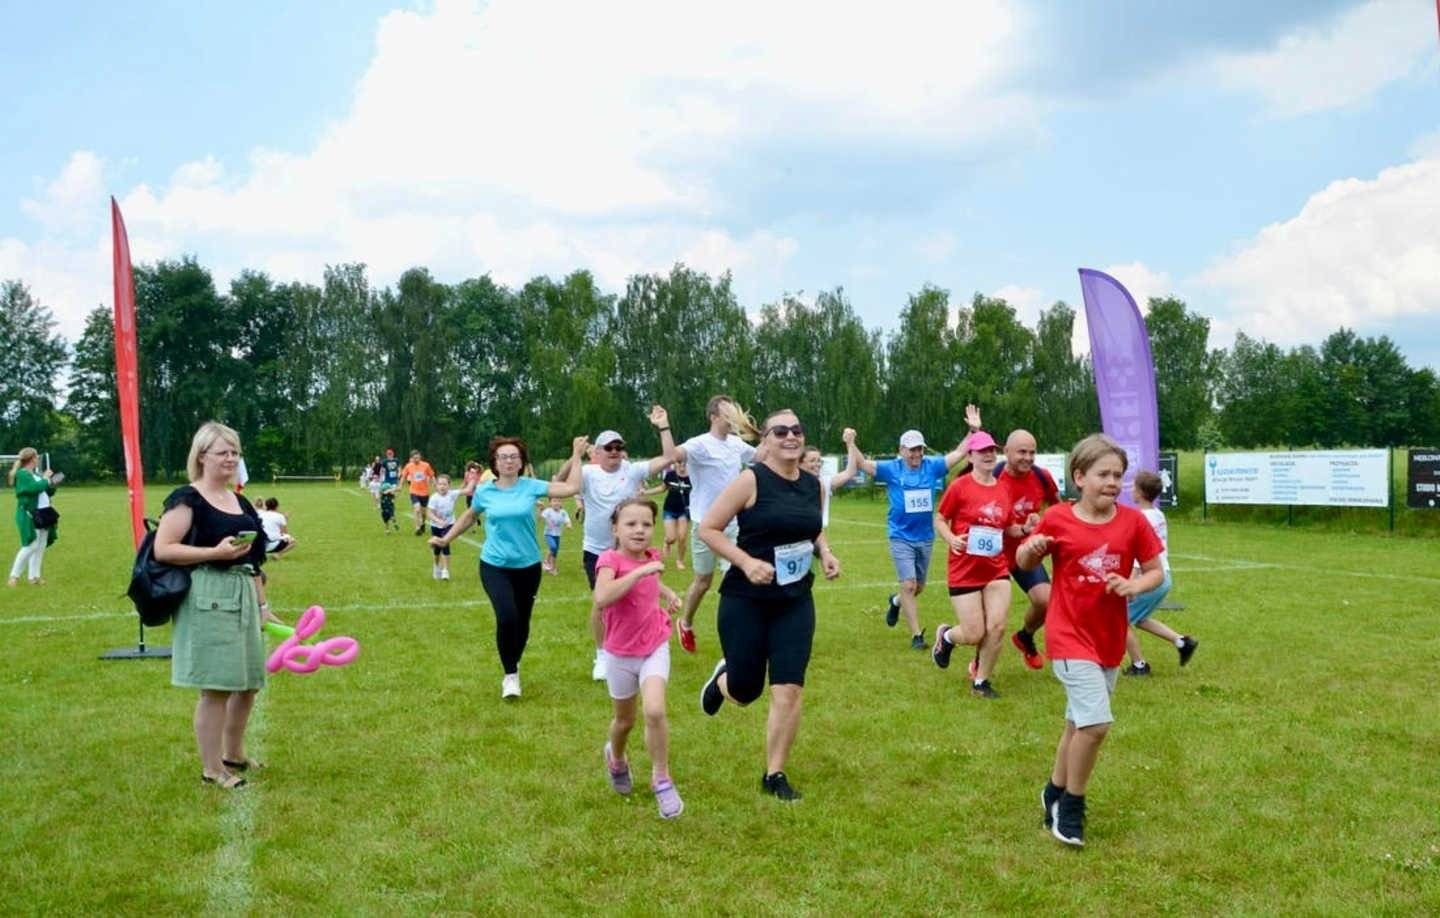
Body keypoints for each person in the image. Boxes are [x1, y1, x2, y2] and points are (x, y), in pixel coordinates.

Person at [1015, 434, 1165, 847]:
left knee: (1076, 724)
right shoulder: (1059, 518)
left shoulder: (1133, 522)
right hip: (1068, 635)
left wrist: (1135, 583)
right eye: (1103, 474)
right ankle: (1072, 809)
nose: (1113, 482)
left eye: (1118, 475)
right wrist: (1033, 547)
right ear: (1079, 477)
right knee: (1096, 725)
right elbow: (1023, 561)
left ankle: (1053, 791)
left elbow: (1156, 572)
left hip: (1109, 639)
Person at [697, 409, 841, 802]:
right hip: (746, 599)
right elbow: (707, 528)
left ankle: (774, 773)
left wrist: (824, 553)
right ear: (767, 439)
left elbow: (812, 527)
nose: (791, 436)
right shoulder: (751, 480)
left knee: (789, 689)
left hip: (794, 599)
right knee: (746, 691)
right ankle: (722, 681)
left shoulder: (814, 485)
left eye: (797, 429)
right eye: (781, 431)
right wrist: (745, 562)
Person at [154, 421, 285, 790]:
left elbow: (254, 559)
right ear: (201, 456)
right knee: (216, 687)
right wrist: (214, 551)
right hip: (208, 595)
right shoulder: (187, 498)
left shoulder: (239, 500)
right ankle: (212, 768)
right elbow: (164, 548)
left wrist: (262, 605)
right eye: (222, 452)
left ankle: (234, 753)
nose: (230, 458)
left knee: (248, 683)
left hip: (243, 592)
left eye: (235, 452)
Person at [431, 434, 588, 698]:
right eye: (503, 456)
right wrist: (446, 538)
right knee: (507, 616)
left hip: (528, 566)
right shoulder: (485, 491)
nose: (508, 461)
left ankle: (514, 663)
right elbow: (470, 516)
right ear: (495, 461)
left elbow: (571, 488)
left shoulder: (531, 486)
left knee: (523, 621)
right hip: (495, 565)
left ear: (521, 461)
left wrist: (576, 455)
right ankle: (510, 675)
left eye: (513, 456)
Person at [555, 406, 676, 680]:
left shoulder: (632, 471)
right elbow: (560, 482)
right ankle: (602, 655)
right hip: (597, 550)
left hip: (631, 550)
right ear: (596, 451)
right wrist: (575, 454)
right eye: (608, 447)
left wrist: (664, 426)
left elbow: (670, 457)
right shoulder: (587, 473)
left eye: (618, 447)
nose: (614, 452)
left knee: (636, 599)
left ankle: (640, 646)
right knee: (602, 603)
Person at [843, 409, 976, 650]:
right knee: (909, 585)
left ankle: (895, 602)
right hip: (900, 536)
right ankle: (917, 636)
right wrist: (851, 443)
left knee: (918, 587)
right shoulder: (892, 469)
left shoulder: (932, 466)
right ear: (902, 450)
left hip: (925, 537)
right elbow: (862, 463)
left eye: (919, 449)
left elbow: (959, 453)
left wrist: (973, 430)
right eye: (912, 449)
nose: (916, 454)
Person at [592, 498, 685, 818]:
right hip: (620, 652)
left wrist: (668, 593)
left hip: (654, 644)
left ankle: (662, 778)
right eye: (631, 524)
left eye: (646, 524)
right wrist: (643, 570)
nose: (640, 530)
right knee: (625, 721)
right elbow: (602, 597)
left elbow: (651, 581)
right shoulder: (609, 560)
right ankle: (616, 758)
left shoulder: (651, 558)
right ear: (615, 529)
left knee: (656, 711)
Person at [672, 395, 762, 654]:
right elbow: (673, 454)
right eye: (727, 414)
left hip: (733, 524)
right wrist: (665, 428)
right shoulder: (699, 444)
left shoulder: (736, 445)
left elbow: (763, 456)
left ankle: (737, 636)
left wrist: (767, 432)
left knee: (734, 578)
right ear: (713, 417)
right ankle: (686, 622)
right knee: (703, 581)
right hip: (704, 525)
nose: (733, 418)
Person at [931, 431, 1012, 699]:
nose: (989, 454)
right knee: (974, 633)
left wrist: (1025, 527)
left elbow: (1007, 527)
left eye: (992, 450)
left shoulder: (1003, 488)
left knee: (997, 627)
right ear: (971, 456)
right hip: (964, 568)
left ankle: (981, 682)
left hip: (995, 569)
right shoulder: (960, 486)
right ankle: (947, 637)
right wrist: (952, 538)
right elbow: (940, 519)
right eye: (982, 451)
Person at [993, 426, 1062, 672]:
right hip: (994, 555)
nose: (1028, 458)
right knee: (993, 617)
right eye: (1022, 452)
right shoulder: (992, 476)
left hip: (1025, 552)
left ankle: (1025, 636)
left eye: (1032, 453)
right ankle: (980, 663)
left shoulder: (1042, 476)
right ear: (1007, 451)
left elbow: (1057, 508)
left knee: (1045, 600)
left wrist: (1042, 524)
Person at [1121, 470, 1198, 675]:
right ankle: (1182, 642)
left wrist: (1133, 582)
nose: (1131, 490)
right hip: (1164, 576)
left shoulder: (1140, 518)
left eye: (1134, 487)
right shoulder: (1158, 514)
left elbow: (1141, 554)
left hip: (1151, 578)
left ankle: (1139, 666)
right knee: (1140, 619)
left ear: (1139, 492)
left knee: (1120, 621)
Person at [8, 448, 58, 586]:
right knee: (30, 545)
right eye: (36, 457)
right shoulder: (22, 474)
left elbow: (47, 491)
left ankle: (34, 577)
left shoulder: (36, 474)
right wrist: (45, 479)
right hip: (30, 514)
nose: (37, 459)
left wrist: (52, 482)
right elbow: (32, 489)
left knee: (40, 547)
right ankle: (14, 576)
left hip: (44, 513)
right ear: (32, 459)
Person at [800, 443, 858, 529]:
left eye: (819, 461)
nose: (817, 464)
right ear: (799, 463)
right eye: (812, 461)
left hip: (815, 534)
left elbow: (850, 472)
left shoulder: (824, 482)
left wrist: (850, 444)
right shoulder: (790, 483)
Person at [651, 458, 693, 569]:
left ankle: (680, 561)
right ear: (675, 463)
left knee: (682, 537)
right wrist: (645, 492)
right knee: (671, 538)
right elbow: (662, 488)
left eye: (685, 462)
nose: (682, 464)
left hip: (684, 511)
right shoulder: (670, 475)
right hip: (669, 509)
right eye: (679, 462)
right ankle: (667, 541)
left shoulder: (693, 476)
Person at [427, 474, 459, 581]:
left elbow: (467, 490)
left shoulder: (452, 494)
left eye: (444, 484)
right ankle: (436, 566)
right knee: (437, 549)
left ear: (449, 485)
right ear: (436, 485)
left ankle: (445, 570)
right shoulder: (434, 498)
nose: (442, 486)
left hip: (449, 524)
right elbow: (429, 513)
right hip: (436, 526)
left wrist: (472, 476)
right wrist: (438, 520)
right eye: (440, 484)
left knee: (445, 544)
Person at [400, 450, 437, 535]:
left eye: (418, 457)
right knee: (417, 509)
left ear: (420, 457)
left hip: (425, 492)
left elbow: (432, 475)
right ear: (412, 458)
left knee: (424, 513)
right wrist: (400, 486)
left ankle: (423, 524)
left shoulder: (426, 465)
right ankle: (417, 528)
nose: (416, 459)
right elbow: (403, 476)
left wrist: (435, 484)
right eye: (414, 458)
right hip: (414, 491)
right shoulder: (408, 466)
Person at [540, 496, 571, 575]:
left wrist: (568, 525)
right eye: (554, 501)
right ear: (550, 503)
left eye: (559, 501)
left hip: (557, 535)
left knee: (555, 552)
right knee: (553, 547)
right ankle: (546, 561)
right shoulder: (548, 511)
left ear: (561, 502)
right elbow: (541, 517)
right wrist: (540, 510)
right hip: (549, 534)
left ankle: (553, 568)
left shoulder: (563, 512)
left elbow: (567, 520)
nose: (556, 503)